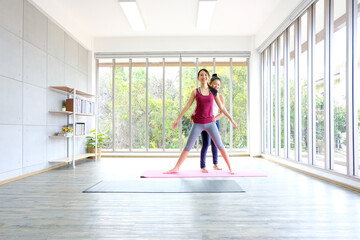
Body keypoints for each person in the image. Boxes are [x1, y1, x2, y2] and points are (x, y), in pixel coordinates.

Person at [164, 69, 238, 174]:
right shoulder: (195, 92)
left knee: (220, 145)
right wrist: (177, 119)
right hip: (198, 123)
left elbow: (222, 107)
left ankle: (230, 167)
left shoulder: (213, 91)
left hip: (211, 123)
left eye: (205, 75)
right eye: (201, 75)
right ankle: (176, 168)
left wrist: (232, 119)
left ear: (208, 77)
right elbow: (187, 106)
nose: (203, 77)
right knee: (188, 146)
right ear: (198, 78)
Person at [191, 73, 224, 173]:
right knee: (205, 143)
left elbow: (222, 112)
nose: (216, 86)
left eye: (218, 85)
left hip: (214, 122)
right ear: (210, 83)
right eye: (214, 84)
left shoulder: (220, 96)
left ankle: (215, 163)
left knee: (215, 144)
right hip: (205, 120)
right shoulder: (207, 93)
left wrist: (216, 118)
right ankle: (203, 166)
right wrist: (193, 113)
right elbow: (199, 107)